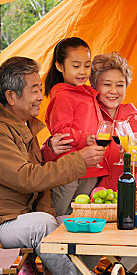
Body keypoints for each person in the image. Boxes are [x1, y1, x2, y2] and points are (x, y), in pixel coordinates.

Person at [0, 56, 106, 275]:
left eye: (41, 89)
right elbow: (26, 178)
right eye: (35, 90)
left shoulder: (18, 126)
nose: (40, 97)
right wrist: (78, 161)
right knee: (42, 225)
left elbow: (35, 173)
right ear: (11, 97)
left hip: (5, 218)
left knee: (78, 223)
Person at [41, 37, 108, 216]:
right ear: (59, 66)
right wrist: (84, 138)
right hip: (69, 168)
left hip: (90, 166)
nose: (83, 72)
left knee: (80, 213)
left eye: (87, 65)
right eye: (76, 66)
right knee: (61, 212)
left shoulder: (86, 93)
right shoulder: (62, 96)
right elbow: (61, 131)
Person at [89, 51, 137, 190]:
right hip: (97, 198)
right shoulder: (87, 115)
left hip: (136, 194)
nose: (113, 91)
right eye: (107, 84)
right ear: (94, 86)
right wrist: (51, 148)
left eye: (120, 85)